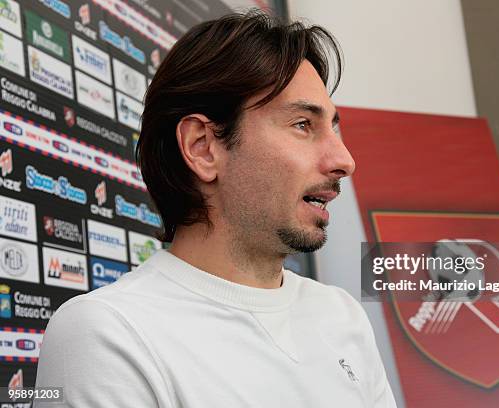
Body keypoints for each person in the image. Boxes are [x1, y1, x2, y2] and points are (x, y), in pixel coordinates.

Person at [35, 11, 397, 408]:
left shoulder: (343, 316)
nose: (344, 159)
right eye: (302, 125)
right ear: (202, 147)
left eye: (334, 128)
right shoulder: (107, 333)